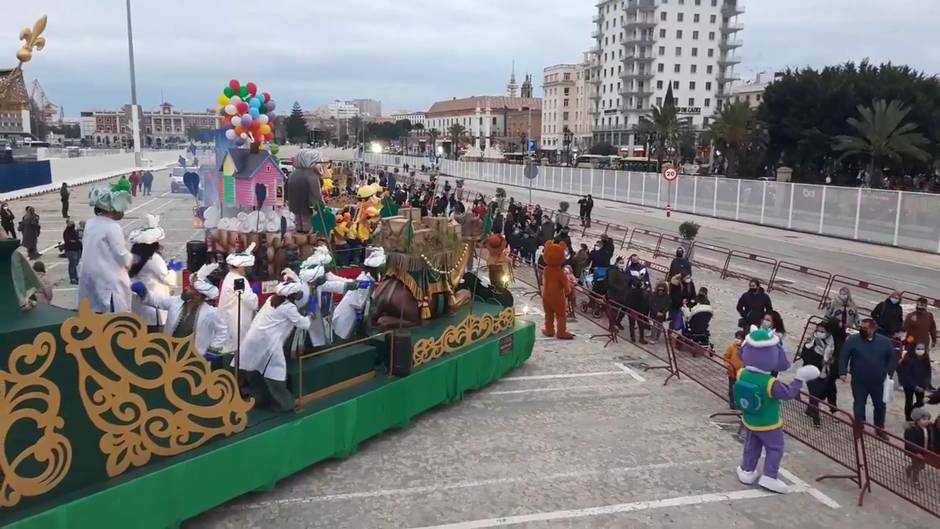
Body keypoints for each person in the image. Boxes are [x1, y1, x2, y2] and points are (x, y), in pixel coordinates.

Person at [237, 276, 311, 412]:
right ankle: (284, 405)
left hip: (254, 340)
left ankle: (258, 399)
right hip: (268, 344)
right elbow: (303, 324)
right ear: (292, 295)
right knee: (275, 374)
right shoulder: (288, 308)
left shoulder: (271, 299)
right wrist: (310, 316)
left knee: (256, 371)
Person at [132, 263, 228, 359]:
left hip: (194, 357)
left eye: (190, 288)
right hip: (169, 353)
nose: (186, 288)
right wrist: (144, 292)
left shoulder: (211, 313)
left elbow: (223, 330)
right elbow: (158, 300)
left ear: (198, 295)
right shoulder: (176, 302)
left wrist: (213, 350)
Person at [78, 181, 133, 313]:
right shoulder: (112, 227)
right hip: (108, 284)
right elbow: (121, 255)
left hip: (90, 281)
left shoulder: (90, 224)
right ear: (111, 207)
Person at [839, 319, 898, 429]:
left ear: (873, 329)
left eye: (865, 328)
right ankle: (859, 427)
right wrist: (842, 372)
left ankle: (879, 428)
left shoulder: (885, 342)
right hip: (859, 380)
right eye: (861, 328)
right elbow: (844, 355)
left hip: (879, 381)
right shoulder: (853, 340)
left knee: (880, 406)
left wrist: (889, 374)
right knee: (859, 404)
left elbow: (892, 359)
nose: (862, 330)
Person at [128, 215, 172, 332]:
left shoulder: (134, 257)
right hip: (154, 305)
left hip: (138, 306)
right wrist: (172, 271)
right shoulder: (154, 258)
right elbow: (167, 279)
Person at [801, 322, 836, 426]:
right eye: (818, 330)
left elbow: (832, 357)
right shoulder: (811, 340)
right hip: (810, 370)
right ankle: (816, 418)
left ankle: (809, 410)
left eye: (822, 331)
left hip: (824, 371)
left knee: (816, 394)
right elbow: (804, 353)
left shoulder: (831, 343)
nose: (819, 333)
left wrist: (829, 361)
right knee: (814, 393)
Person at [899, 343, 931, 421]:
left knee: (921, 402)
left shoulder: (926, 359)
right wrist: (914, 386)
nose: (920, 350)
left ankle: (915, 413)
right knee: (909, 401)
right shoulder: (908, 359)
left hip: (921, 385)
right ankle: (908, 418)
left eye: (922, 349)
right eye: (918, 348)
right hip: (909, 385)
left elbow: (928, 373)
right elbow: (906, 375)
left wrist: (925, 385)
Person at [903, 408, 934, 488]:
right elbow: (910, 444)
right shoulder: (911, 430)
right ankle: (915, 481)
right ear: (917, 420)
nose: (927, 421)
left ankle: (909, 468)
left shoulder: (929, 428)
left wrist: (930, 449)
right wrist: (916, 453)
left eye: (928, 419)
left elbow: (931, 439)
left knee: (922, 466)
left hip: (925, 451)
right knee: (917, 467)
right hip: (915, 453)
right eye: (924, 419)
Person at [723, 330, 746, 409]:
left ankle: (741, 404)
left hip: (743, 374)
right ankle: (732, 404)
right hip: (732, 372)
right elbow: (726, 357)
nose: (737, 340)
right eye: (736, 338)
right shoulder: (731, 347)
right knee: (732, 389)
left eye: (739, 338)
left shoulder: (746, 348)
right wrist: (728, 366)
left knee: (742, 389)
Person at [62, 220, 82, 285]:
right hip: (70, 250)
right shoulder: (66, 232)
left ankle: (75, 276)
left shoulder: (74, 232)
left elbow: (77, 240)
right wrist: (75, 241)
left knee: (74, 264)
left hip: (76, 249)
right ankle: (72, 278)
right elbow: (69, 241)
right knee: (72, 264)